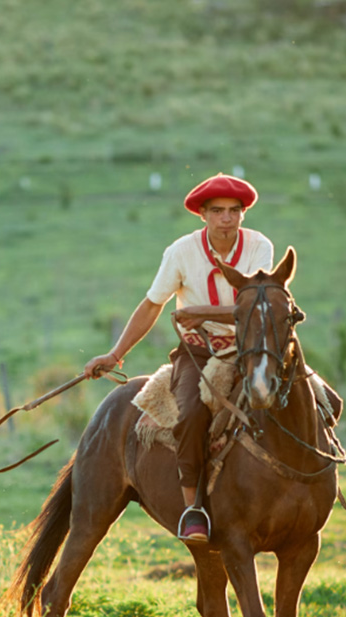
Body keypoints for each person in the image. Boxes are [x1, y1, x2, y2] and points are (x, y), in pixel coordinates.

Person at [84, 173, 274, 542]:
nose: (226, 219)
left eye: (235, 211)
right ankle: (194, 508)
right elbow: (154, 303)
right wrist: (115, 353)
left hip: (253, 346)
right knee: (191, 414)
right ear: (202, 214)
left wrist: (201, 312)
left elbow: (254, 304)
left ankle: (314, 479)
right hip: (199, 352)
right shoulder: (181, 252)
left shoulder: (259, 247)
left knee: (314, 396)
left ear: (243, 214)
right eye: (217, 211)